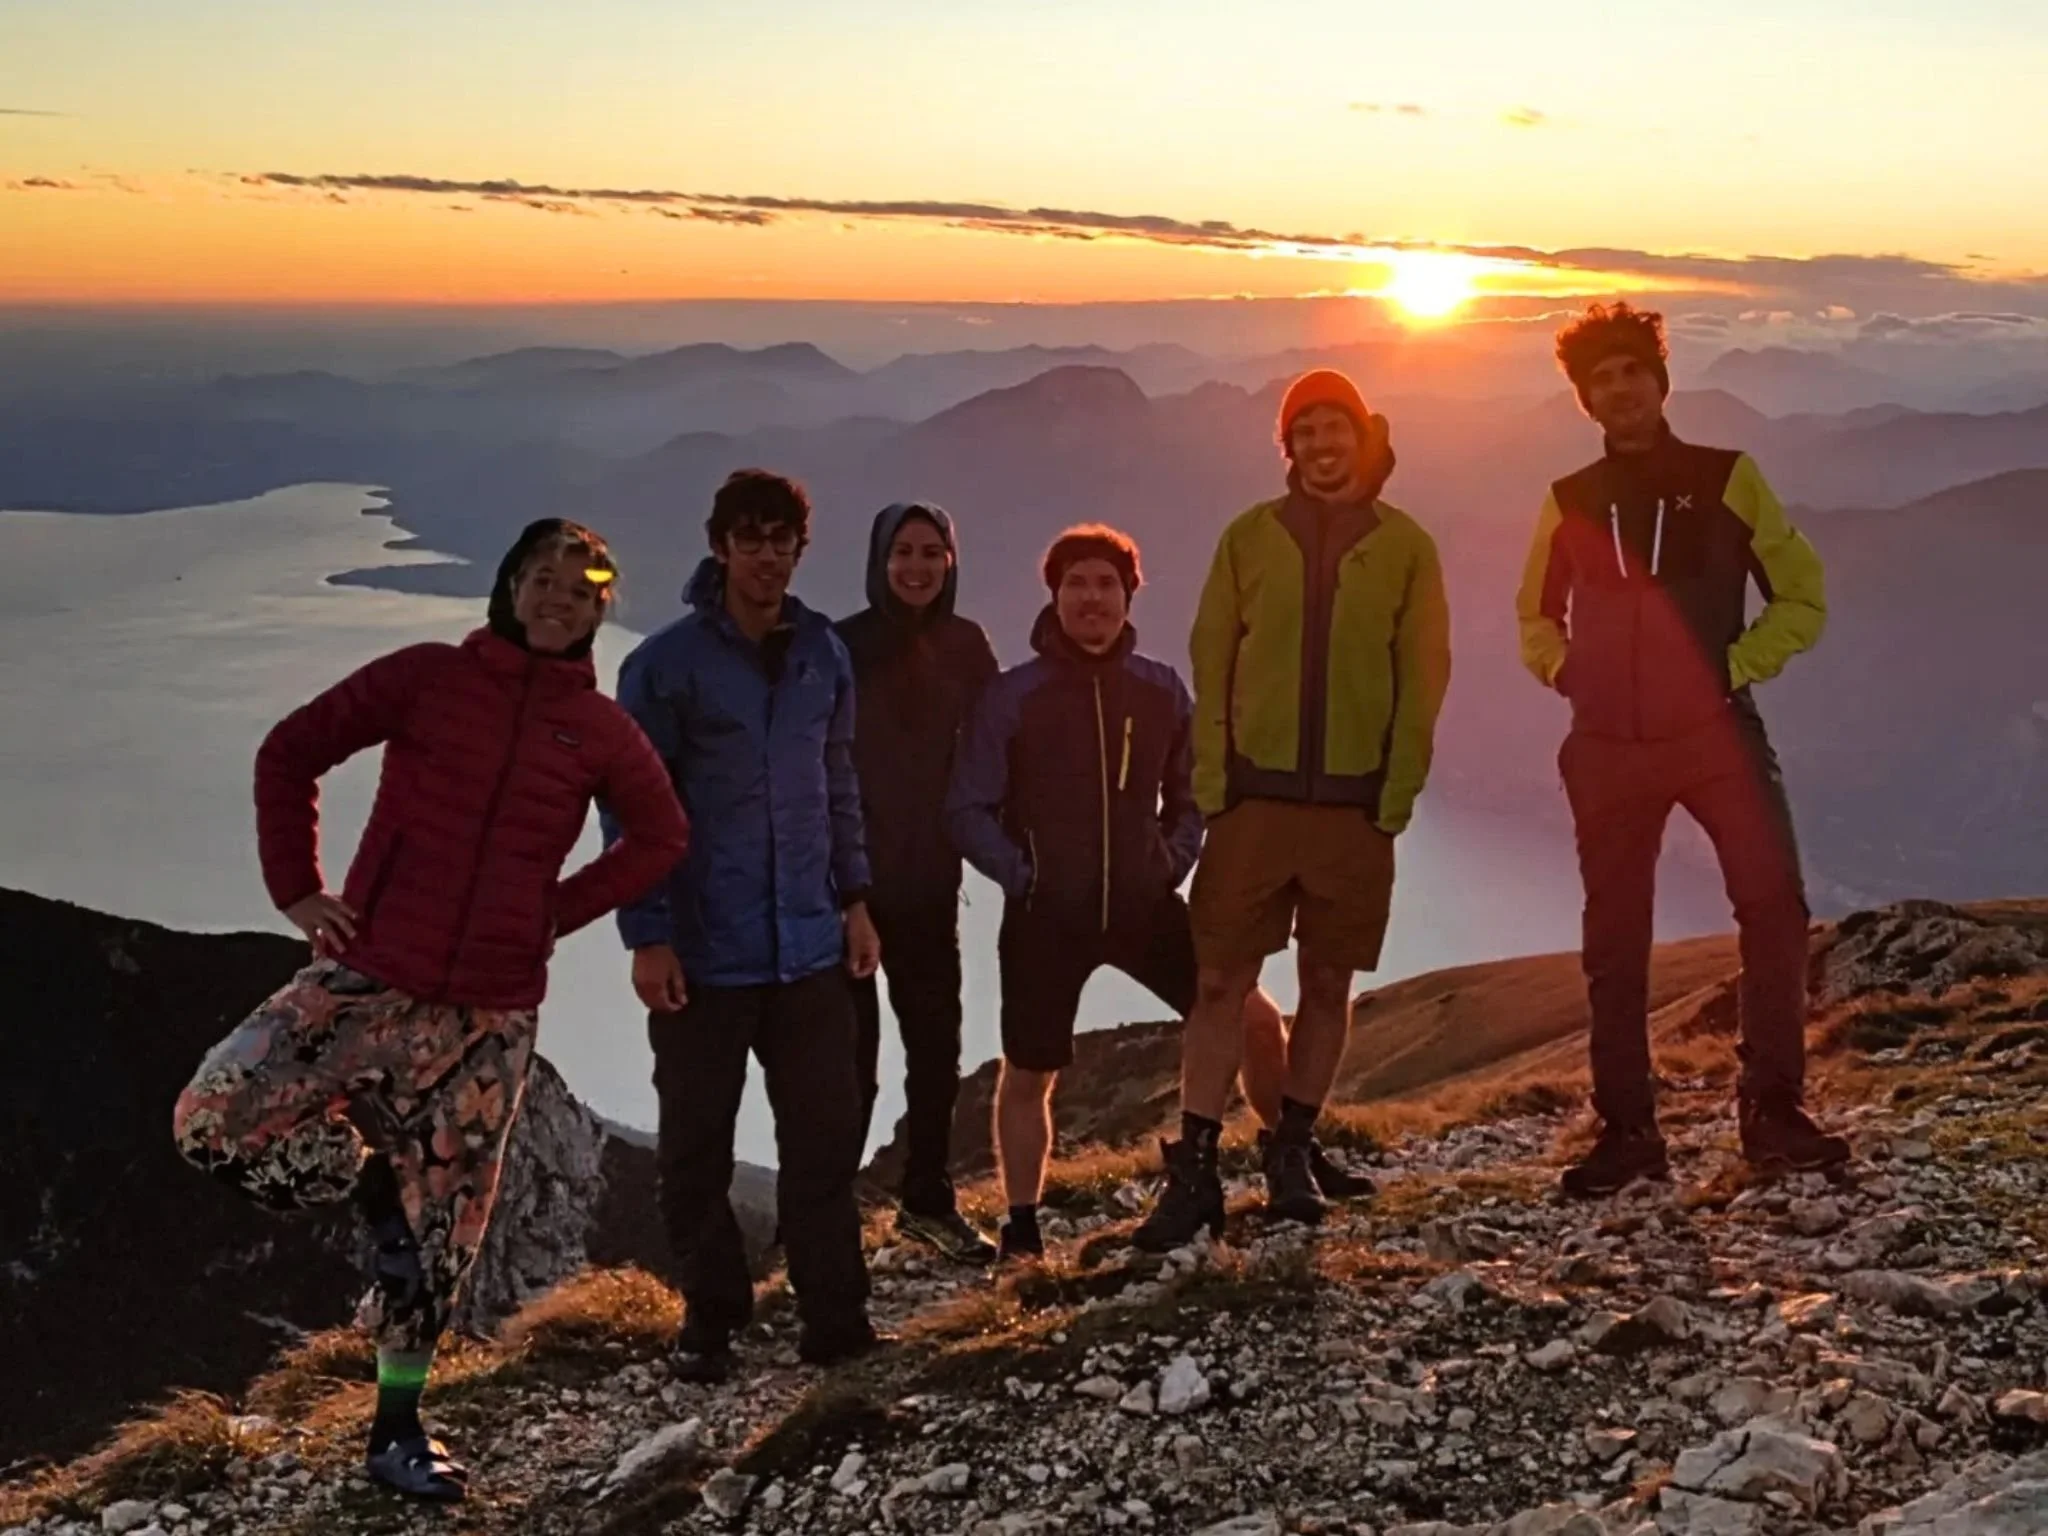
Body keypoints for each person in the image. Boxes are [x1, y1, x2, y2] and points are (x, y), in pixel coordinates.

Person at [172, 520, 688, 1503]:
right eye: (542, 579)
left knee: (445, 1232)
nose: (559, 598)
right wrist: (296, 888)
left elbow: (661, 835)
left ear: (599, 610)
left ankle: (398, 1431)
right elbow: (290, 752)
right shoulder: (425, 678)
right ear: (509, 587)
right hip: (368, 975)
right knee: (212, 1116)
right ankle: (367, 1180)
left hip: (488, 1016)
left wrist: (554, 913)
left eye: (582, 589)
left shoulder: (600, 730)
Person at [1516, 302, 1849, 1197]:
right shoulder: (1568, 499)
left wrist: (1732, 668)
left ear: (1661, 381)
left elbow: (1802, 596)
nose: (1620, 389)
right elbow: (1534, 615)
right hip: (1607, 743)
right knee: (1614, 938)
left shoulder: (1728, 478)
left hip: (1714, 731)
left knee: (1773, 907)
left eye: (1633, 371)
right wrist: (1566, 674)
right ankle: (1629, 1132)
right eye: (1602, 379)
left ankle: (1772, 1110)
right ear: (1585, 399)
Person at [1138, 368, 1451, 1251]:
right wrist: (1214, 784)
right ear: (1288, 447)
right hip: (1254, 801)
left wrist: (1397, 791)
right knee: (1218, 984)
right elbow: (1212, 658)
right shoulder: (1250, 538)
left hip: (1355, 806)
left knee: (1327, 981)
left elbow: (1424, 674)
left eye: (1333, 427)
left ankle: (1291, 1150)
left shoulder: (1405, 546)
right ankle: (1196, 1171)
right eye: (1304, 431)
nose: (1321, 444)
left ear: (1363, 434)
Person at [947, 525, 1292, 1260]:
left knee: (1252, 1018)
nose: (1091, 598)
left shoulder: (1160, 689)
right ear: (1054, 595)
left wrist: (1171, 861)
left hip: (1144, 905)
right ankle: (1022, 1226)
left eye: (1106, 583)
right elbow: (967, 807)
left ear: (1129, 596)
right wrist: (1024, 875)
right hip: (1046, 915)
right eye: (1076, 583)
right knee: (1029, 1069)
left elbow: (1192, 790)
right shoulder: (1014, 695)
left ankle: (1288, 1157)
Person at [610, 468, 885, 1383]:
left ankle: (836, 1322)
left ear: (801, 547)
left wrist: (855, 901)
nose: (769, 556)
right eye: (751, 538)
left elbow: (838, 783)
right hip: (703, 953)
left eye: (783, 539)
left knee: (823, 1143)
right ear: (720, 545)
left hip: (809, 945)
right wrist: (648, 935)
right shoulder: (664, 666)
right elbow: (632, 808)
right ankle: (712, 1318)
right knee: (695, 1151)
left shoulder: (823, 654)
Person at [836, 503, 1001, 1264]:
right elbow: (821, 766)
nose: (917, 566)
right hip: (848, 891)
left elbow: (998, 748)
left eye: (932, 552)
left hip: (931, 884)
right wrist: (847, 892)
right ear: (880, 560)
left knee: (935, 1052)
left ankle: (927, 1203)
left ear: (950, 561)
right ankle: (820, 1225)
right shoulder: (843, 646)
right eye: (902, 551)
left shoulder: (967, 646)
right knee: (849, 1067)